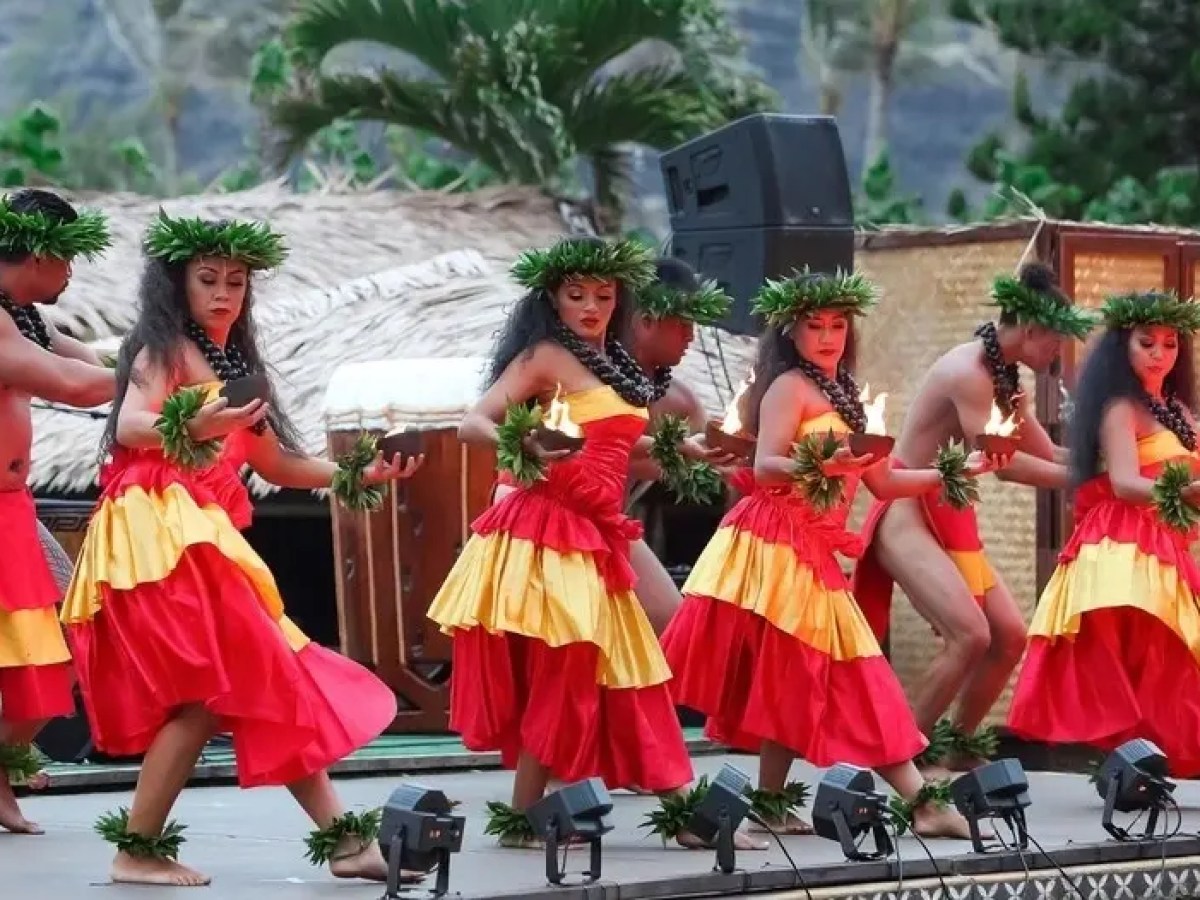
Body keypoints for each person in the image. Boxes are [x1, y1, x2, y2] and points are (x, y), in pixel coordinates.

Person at [59, 211, 423, 888]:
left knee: (264, 678)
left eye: (236, 281)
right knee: (212, 691)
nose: (225, 292)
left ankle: (345, 843)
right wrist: (193, 421)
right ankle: (138, 848)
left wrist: (357, 471)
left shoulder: (237, 366)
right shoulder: (160, 350)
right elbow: (133, 423)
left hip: (202, 535)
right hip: (158, 534)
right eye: (208, 280)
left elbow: (277, 463)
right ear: (179, 286)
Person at [427, 237, 754, 851]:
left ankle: (656, 807)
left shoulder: (615, 366)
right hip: (543, 526)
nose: (591, 306)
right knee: (572, 667)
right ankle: (651, 810)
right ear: (552, 297)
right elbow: (475, 421)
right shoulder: (545, 355)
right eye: (576, 294)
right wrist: (521, 443)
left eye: (604, 296)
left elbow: (612, 448)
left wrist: (681, 449)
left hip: (595, 530)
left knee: (618, 664)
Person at [659, 270, 989, 839]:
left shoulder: (849, 397)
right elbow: (764, 469)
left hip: (809, 548)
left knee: (794, 676)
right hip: (775, 541)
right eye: (816, 326)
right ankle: (922, 802)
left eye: (838, 325)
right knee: (853, 672)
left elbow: (884, 483)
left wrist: (954, 472)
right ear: (791, 330)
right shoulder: (789, 385)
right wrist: (824, 465)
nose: (829, 336)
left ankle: (768, 800)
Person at [852, 262, 1095, 768]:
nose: (1057, 352)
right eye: (1054, 340)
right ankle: (903, 759)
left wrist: (1104, 466)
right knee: (970, 636)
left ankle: (958, 748)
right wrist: (1090, 480)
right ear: (1030, 330)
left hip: (948, 509)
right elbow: (1004, 467)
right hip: (906, 507)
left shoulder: (1003, 372)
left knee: (1009, 637)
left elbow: (1046, 451)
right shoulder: (969, 373)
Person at [1008, 290, 1200, 773]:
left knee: (1164, 658)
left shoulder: (1177, 409)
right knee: (1148, 654)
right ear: (1123, 346)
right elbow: (1124, 483)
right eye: (1147, 343)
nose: (1160, 354)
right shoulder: (1121, 407)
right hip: (1122, 544)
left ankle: (1147, 761)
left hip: (1163, 544)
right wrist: (1185, 492)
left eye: (1170, 344)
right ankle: (1135, 759)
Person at [0, 188, 115, 835]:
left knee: (68, 637)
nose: (71, 276)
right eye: (67, 259)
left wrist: (160, 357)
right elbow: (73, 386)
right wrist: (162, 373)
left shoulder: (25, 319)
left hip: (13, 510)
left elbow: (90, 362)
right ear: (40, 252)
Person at [623, 256, 740, 635]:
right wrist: (684, 454)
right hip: (552, 519)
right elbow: (603, 456)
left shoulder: (679, 401)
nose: (691, 336)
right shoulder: (586, 377)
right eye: (682, 325)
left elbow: (720, 463)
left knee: (671, 623)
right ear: (645, 321)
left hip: (610, 526)